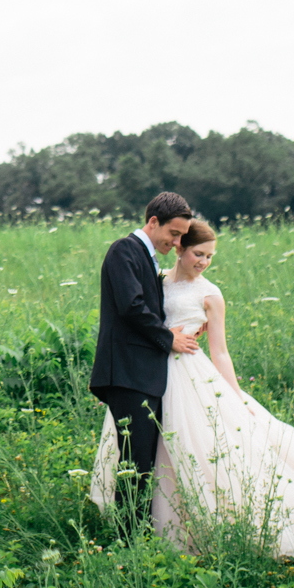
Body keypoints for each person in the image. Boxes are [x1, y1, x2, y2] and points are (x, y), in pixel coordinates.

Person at [89, 220, 294, 557]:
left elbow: (220, 351)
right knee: (155, 450)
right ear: (179, 248)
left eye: (210, 257)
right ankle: (145, 528)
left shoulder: (210, 294)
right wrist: (166, 334)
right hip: (152, 374)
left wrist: (235, 396)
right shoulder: (159, 282)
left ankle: (205, 527)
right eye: (198, 254)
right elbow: (141, 317)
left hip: (191, 375)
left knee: (204, 450)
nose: (203, 262)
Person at [87, 191, 200, 530]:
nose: (176, 242)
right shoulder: (124, 249)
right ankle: (128, 538)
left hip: (142, 373)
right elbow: (132, 306)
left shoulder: (146, 257)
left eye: (181, 236)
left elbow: (147, 309)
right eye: (174, 233)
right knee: (135, 462)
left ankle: (137, 532)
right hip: (126, 372)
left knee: (144, 461)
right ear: (153, 222)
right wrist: (169, 338)